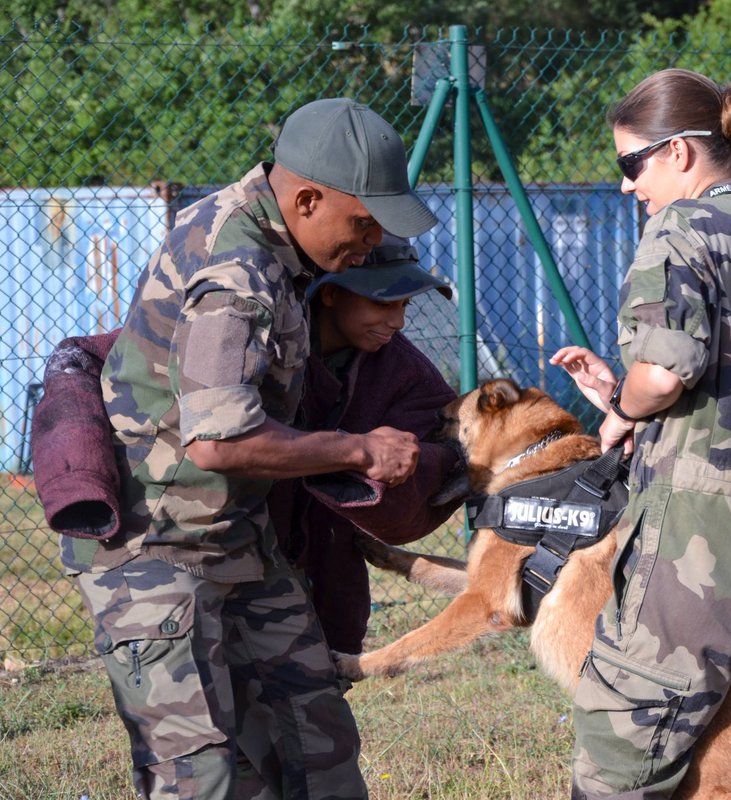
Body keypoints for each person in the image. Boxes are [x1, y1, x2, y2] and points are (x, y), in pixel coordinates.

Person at [53, 97, 438, 799]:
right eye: (363, 223)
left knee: (315, 728)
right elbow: (220, 442)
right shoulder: (239, 276)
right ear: (309, 197)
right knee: (197, 773)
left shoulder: (270, 232)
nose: (370, 241)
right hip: (155, 549)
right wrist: (358, 451)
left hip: (234, 534)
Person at [549, 68, 731, 798]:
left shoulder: (679, 228)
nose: (625, 186)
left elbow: (668, 371)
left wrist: (631, 402)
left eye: (629, 164)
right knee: (729, 780)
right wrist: (622, 398)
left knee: (616, 770)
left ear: (678, 153)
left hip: (692, 555)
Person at [268, 234, 464, 655]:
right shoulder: (266, 335)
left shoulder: (402, 365)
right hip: (243, 542)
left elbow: (444, 446)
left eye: (405, 305)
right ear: (333, 294)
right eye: (383, 303)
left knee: (321, 680)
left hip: (329, 561)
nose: (398, 322)